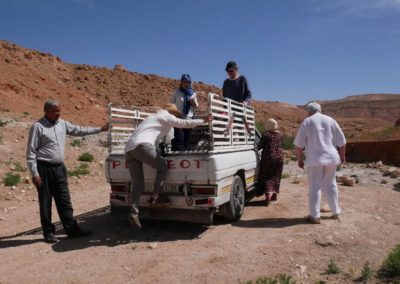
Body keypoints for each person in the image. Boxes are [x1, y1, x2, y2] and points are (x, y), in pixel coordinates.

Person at [26, 100, 109, 243]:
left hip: (59, 168)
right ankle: (48, 233)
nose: (58, 114)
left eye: (59, 111)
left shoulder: (62, 124)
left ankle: (72, 230)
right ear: (46, 111)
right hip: (43, 168)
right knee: (45, 202)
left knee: (64, 200)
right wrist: (34, 173)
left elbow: (79, 130)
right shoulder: (37, 127)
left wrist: (100, 129)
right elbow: (31, 152)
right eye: (55, 111)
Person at [124, 103, 212, 228]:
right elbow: (184, 124)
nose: (176, 116)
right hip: (143, 146)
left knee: (137, 183)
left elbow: (160, 138)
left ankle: (134, 212)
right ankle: (155, 197)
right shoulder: (166, 116)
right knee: (162, 167)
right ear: (173, 113)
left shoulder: (151, 117)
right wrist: (203, 120)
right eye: (176, 114)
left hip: (129, 149)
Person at [294, 102, 346, 224]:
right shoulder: (331, 120)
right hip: (331, 157)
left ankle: (315, 216)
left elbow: (299, 145)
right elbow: (342, 142)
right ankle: (336, 212)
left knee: (315, 187)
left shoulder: (307, 121)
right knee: (331, 184)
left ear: (309, 111)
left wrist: (300, 160)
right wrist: (342, 156)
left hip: (314, 158)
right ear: (320, 110)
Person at [256, 119, 284, 205]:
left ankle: (268, 197)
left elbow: (260, 146)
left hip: (268, 158)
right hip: (279, 158)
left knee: (267, 176)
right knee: (276, 176)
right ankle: (274, 196)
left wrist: (255, 145)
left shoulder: (266, 134)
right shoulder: (280, 135)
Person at [169, 74, 199, 150]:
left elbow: (196, 106)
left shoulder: (192, 93)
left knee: (187, 139)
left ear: (190, 83)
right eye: (184, 82)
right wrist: (174, 112)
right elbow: (171, 103)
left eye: (188, 82)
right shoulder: (177, 92)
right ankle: (178, 155)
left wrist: (192, 102)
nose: (186, 84)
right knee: (179, 138)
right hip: (178, 118)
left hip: (188, 119)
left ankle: (186, 156)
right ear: (181, 82)